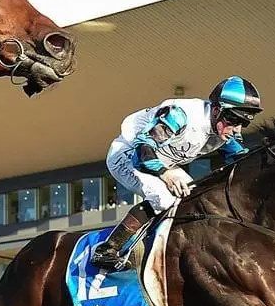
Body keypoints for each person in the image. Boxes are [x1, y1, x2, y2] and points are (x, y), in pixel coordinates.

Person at [90, 76, 262, 270]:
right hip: (130, 154)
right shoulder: (181, 115)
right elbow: (143, 151)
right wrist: (165, 174)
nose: (236, 130)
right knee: (163, 197)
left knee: (196, 200)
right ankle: (107, 250)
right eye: (234, 120)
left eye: (243, 123)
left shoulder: (224, 130)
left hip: (163, 161)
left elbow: (242, 160)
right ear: (216, 110)